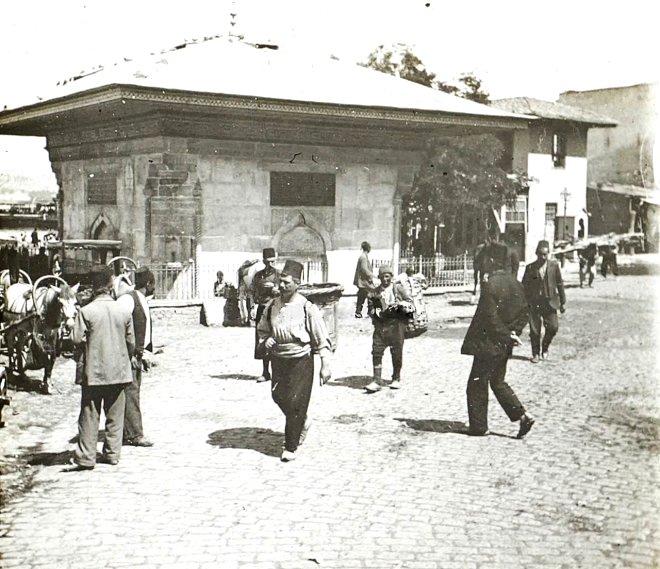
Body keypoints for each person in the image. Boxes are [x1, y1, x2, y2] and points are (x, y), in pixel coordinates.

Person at [256, 260, 331, 462]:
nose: (281, 286)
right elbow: (262, 330)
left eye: (286, 283)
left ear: (297, 283)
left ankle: (290, 446)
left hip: (301, 360)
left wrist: (325, 365)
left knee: (296, 402)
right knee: (278, 396)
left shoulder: (307, 307)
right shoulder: (273, 305)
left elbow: (320, 338)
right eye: (280, 281)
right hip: (279, 359)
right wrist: (267, 340)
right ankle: (302, 422)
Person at [461, 242, 535, 438]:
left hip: (488, 344)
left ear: (491, 260)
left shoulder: (490, 285)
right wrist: (513, 333)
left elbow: (490, 317)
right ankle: (522, 416)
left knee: (476, 383)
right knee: (497, 381)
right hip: (505, 344)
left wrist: (505, 334)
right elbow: (526, 313)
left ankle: (479, 427)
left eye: (484, 259)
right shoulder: (516, 284)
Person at [70, 266, 135, 470]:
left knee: (89, 415)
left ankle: (86, 458)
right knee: (115, 415)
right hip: (119, 371)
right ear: (110, 285)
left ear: (93, 286)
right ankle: (113, 454)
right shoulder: (123, 311)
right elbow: (131, 342)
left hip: (94, 372)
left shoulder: (86, 311)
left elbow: (75, 338)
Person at [117, 267, 155, 448]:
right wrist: (130, 352)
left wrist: (146, 352)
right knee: (131, 392)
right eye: (153, 283)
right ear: (148, 284)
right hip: (128, 355)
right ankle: (135, 434)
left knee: (133, 391)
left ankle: (127, 431)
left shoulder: (142, 300)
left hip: (138, 354)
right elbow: (119, 325)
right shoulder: (128, 300)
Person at [364, 265, 413, 393]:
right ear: (379, 278)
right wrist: (374, 311)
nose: (385, 279)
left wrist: (400, 305)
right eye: (382, 277)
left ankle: (396, 378)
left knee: (396, 352)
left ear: (391, 277)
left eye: (387, 276)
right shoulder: (375, 292)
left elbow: (410, 302)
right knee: (376, 350)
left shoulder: (398, 289)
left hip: (396, 325)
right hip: (381, 326)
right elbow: (370, 309)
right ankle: (377, 380)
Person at [522, 240, 566, 363]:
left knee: (553, 327)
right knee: (535, 330)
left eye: (545, 254)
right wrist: (524, 303)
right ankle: (535, 354)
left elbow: (560, 283)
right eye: (540, 254)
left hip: (550, 302)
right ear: (536, 253)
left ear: (549, 254)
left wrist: (562, 302)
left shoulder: (554, 266)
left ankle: (545, 348)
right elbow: (524, 286)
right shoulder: (530, 268)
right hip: (535, 303)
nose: (543, 257)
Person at [251, 248, 281, 382]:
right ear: (263, 261)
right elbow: (252, 292)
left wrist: (277, 291)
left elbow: (286, 292)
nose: (271, 264)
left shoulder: (280, 275)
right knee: (262, 339)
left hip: (275, 310)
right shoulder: (258, 276)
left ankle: (277, 372)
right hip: (262, 309)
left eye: (273, 261)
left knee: (277, 338)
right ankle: (265, 372)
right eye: (268, 262)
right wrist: (252, 306)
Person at [353, 241, 374, 318]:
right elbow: (364, 269)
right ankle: (370, 312)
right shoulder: (363, 257)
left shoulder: (363, 256)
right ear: (368, 248)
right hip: (364, 281)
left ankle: (359, 312)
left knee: (362, 296)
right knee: (370, 295)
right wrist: (371, 276)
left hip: (363, 281)